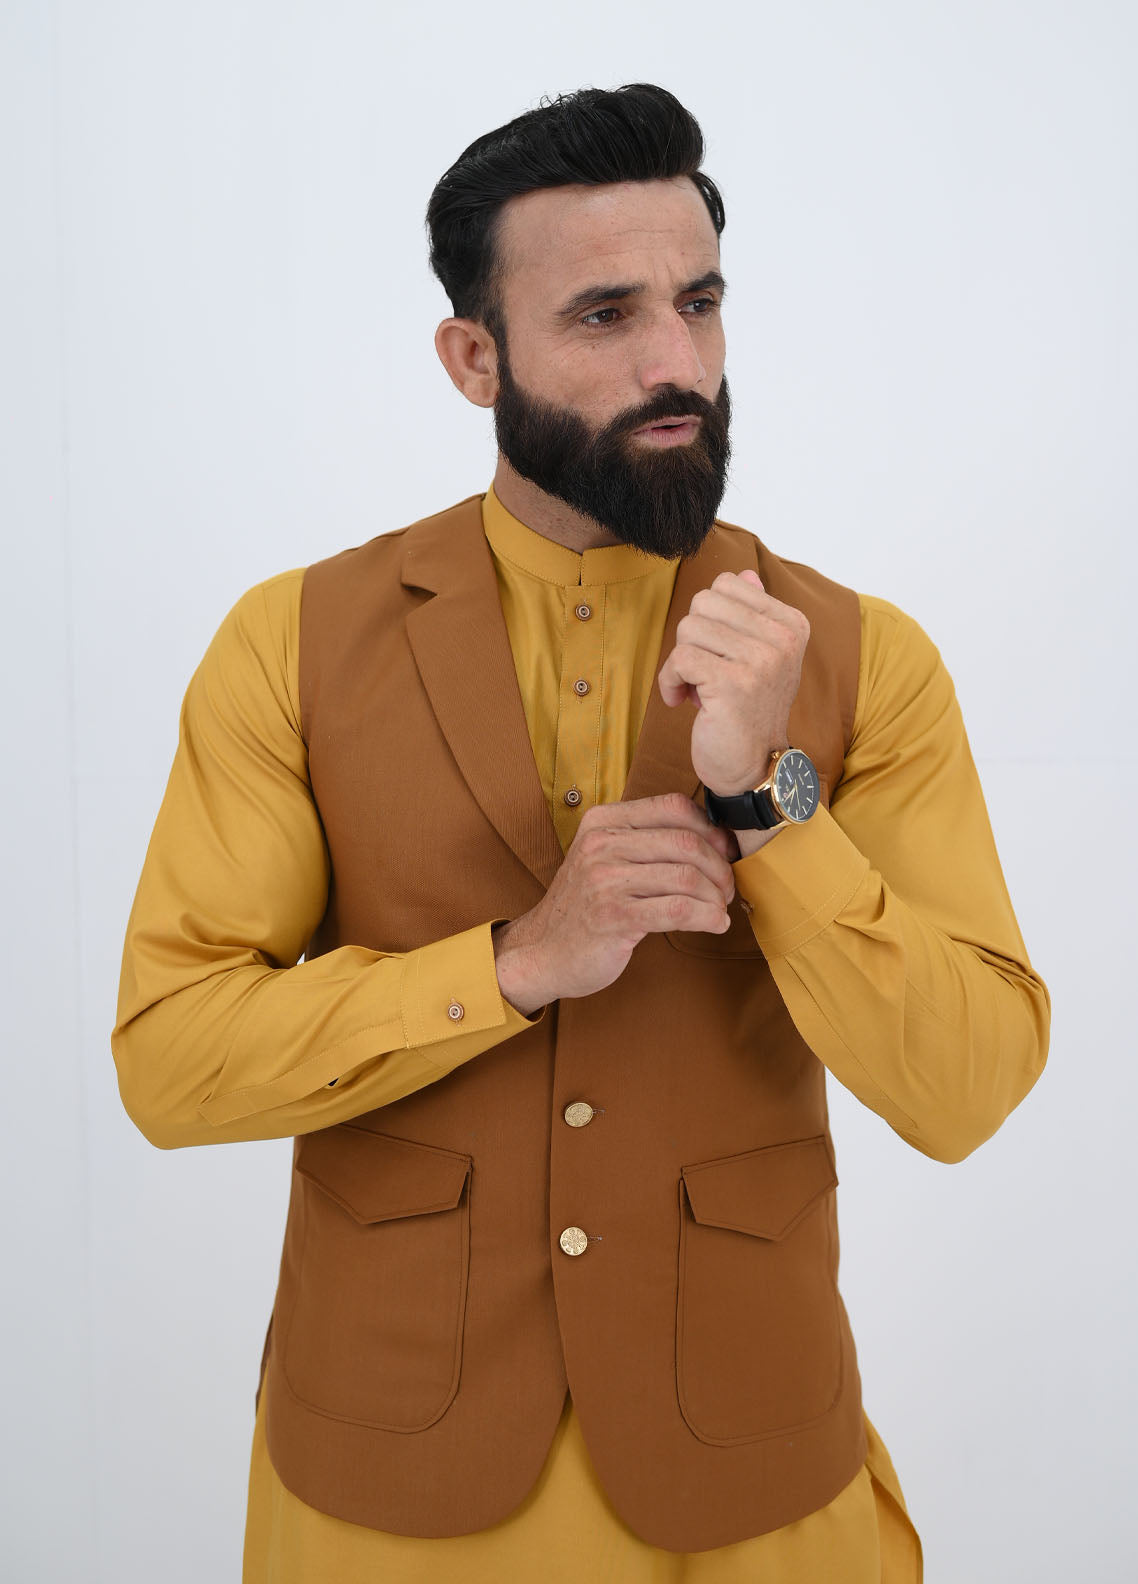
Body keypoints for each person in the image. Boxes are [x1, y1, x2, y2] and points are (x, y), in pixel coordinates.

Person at [112, 83, 1049, 1583]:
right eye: (605, 315)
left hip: (754, 1474)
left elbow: (967, 1087)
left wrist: (766, 805)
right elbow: (171, 1062)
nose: (676, 364)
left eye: (700, 304)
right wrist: (513, 964)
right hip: (386, 1483)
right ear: (474, 359)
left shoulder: (865, 658)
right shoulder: (290, 643)